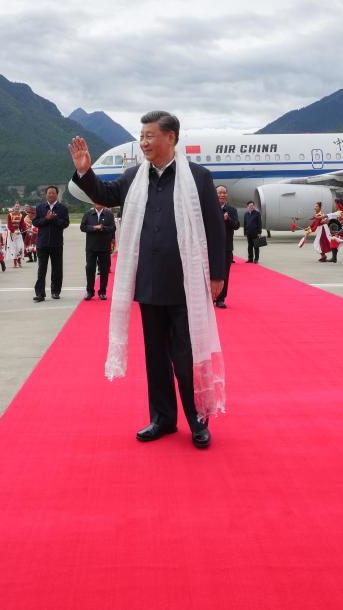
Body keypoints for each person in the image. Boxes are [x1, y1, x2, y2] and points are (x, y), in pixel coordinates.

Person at [71, 110, 225, 449]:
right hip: (149, 283)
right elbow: (105, 193)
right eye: (141, 136)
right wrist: (85, 170)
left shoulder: (197, 177)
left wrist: (217, 274)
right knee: (155, 357)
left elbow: (214, 228)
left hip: (185, 285)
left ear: (170, 137)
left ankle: (198, 419)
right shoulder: (133, 177)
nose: (143, 143)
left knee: (185, 358)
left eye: (149, 136)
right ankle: (162, 419)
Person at [33, 185, 70, 302]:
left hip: (56, 243)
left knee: (57, 269)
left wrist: (54, 219)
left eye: (53, 193)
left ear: (57, 194)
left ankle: (55, 291)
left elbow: (65, 223)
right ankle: (40, 293)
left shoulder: (62, 208)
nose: (51, 195)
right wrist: (46, 219)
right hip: (42, 244)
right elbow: (35, 222)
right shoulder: (40, 208)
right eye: (49, 193)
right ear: (46, 195)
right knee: (41, 269)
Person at [80, 202, 116, 300]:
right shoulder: (88, 214)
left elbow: (113, 228)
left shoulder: (109, 214)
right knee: (90, 269)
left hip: (104, 247)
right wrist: (93, 228)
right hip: (91, 247)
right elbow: (82, 227)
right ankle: (90, 291)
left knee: (104, 270)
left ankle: (102, 292)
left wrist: (103, 228)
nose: (98, 203)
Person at [216, 185, 240, 307]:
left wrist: (228, 219)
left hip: (226, 248)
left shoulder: (232, 210)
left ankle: (221, 298)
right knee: (209, 273)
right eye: (219, 193)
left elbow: (236, 225)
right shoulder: (209, 208)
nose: (222, 195)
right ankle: (210, 297)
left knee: (224, 274)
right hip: (212, 248)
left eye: (224, 192)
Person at [6, 202, 26, 268]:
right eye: (16, 206)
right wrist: (13, 231)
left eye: (18, 206)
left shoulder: (21, 215)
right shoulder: (10, 215)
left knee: (20, 247)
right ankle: (15, 262)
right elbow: (9, 225)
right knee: (13, 247)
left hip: (18, 232)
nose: (17, 208)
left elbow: (22, 225)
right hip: (12, 233)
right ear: (13, 207)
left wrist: (25, 229)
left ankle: (19, 260)